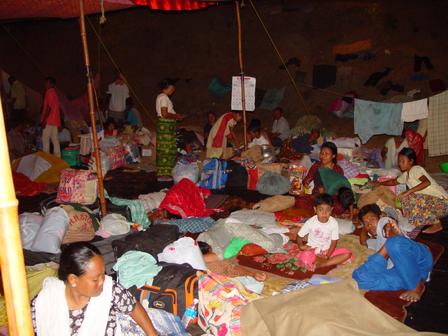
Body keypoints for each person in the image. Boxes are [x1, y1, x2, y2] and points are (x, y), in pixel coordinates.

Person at [31, 242, 157, 335]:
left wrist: (153, 335)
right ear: (73, 280)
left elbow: (133, 307)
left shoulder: (110, 290)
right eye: (95, 279)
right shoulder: (44, 303)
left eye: (103, 274)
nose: (103, 281)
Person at [353, 220, 433, 302]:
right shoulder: (374, 242)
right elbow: (363, 242)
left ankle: (416, 285)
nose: (369, 224)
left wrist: (387, 227)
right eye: (366, 224)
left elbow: (389, 219)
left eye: (371, 219)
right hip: (401, 271)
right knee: (360, 279)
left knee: (395, 244)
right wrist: (386, 246)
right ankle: (417, 280)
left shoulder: (391, 224)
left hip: (418, 257)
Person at [376, 147, 448, 234]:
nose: (400, 163)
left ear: (411, 161)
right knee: (405, 199)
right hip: (433, 206)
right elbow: (393, 181)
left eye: (403, 161)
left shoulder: (416, 169)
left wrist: (409, 191)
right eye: (399, 161)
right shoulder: (406, 175)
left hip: (443, 203)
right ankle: (419, 220)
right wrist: (379, 183)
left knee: (410, 196)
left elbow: (426, 182)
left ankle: (437, 224)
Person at [296, 194, 352, 268]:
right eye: (321, 209)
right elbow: (299, 236)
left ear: (331, 210)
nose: (324, 213)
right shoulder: (311, 222)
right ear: (315, 210)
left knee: (348, 253)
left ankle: (323, 263)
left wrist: (327, 256)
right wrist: (300, 246)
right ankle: (321, 261)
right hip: (312, 249)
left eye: (327, 210)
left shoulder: (333, 223)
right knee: (304, 255)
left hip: (327, 251)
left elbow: (334, 243)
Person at [155, 79, 183, 178]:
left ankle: (165, 172)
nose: (174, 89)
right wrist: (176, 116)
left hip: (165, 126)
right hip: (165, 126)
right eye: (172, 87)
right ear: (168, 87)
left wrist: (176, 116)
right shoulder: (163, 98)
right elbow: (164, 114)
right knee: (166, 149)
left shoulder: (162, 97)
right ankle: (165, 174)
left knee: (166, 149)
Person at [41, 76, 61, 157]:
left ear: (50, 83)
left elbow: (49, 107)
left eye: (46, 82)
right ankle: (58, 157)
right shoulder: (55, 93)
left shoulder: (48, 92)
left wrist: (44, 120)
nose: (45, 84)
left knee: (45, 139)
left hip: (49, 120)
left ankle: (47, 158)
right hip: (55, 120)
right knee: (55, 140)